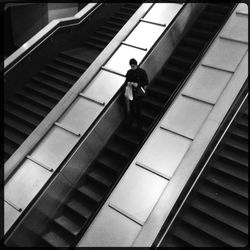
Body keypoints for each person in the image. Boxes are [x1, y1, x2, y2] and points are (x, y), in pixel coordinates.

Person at [124, 58, 149, 129]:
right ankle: (131, 120)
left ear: (136, 65)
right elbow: (126, 81)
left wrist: (138, 84)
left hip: (138, 93)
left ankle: (139, 123)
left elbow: (146, 82)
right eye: (131, 66)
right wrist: (129, 83)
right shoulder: (129, 72)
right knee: (131, 107)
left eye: (133, 66)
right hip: (131, 92)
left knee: (138, 108)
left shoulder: (142, 72)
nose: (132, 68)